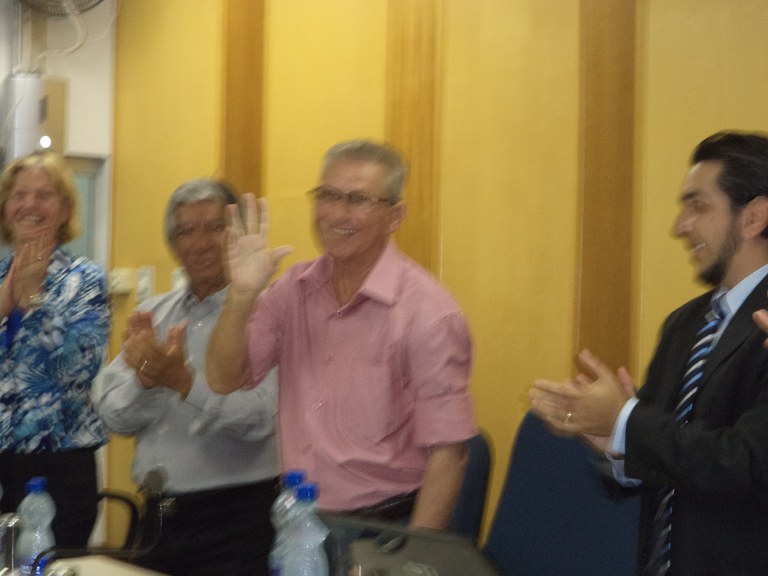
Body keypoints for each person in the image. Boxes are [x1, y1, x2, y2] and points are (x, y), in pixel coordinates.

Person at [529, 131, 768, 575]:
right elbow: (668, 455)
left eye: (698, 206)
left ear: (754, 217)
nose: (680, 226)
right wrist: (617, 447)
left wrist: (626, 421)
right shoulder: (685, 324)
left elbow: (748, 462)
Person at [207, 140, 476, 530]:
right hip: (299, 521)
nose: (336, 213)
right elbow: (223, 378)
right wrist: (241, 296)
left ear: (395, 216)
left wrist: (411, 557)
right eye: (328, 195)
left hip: (385, 529)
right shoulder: (293, 289)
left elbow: (450, 454)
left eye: (359, 199)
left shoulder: (429, 315)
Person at [98, 179, 280, 576]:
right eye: (186, 231)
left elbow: (261, 420)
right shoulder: (154, 314)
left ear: (238, 235)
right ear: (173, 245)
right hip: (157, 520)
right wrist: (146, 383)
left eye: (215, 227)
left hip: (237, 523)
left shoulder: (268, 314)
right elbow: (112, 416)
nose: (201, 243)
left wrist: (184, 384)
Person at [0, 151, 111, 548]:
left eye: (43, 195)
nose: (29, 205)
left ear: (64, 209)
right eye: (19, 195)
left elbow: (79, 367)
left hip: (59, 464)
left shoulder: (85, 280)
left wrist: (34, 302)